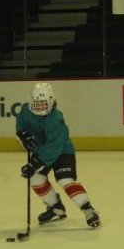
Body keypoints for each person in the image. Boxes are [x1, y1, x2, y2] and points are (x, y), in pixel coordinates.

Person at [16, 82, 101, 228]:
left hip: (62, 151)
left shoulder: (56, 119)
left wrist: (36, 162)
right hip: (42, 152)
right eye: (36, 103)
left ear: (50, 101)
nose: (39, 107)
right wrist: (23, 136)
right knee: (35, 178)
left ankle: (88, 210)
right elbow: (21, 123)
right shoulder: (26, 111)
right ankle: (56, 208)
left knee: (65, 180)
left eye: (42, 104)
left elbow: (54, 146)